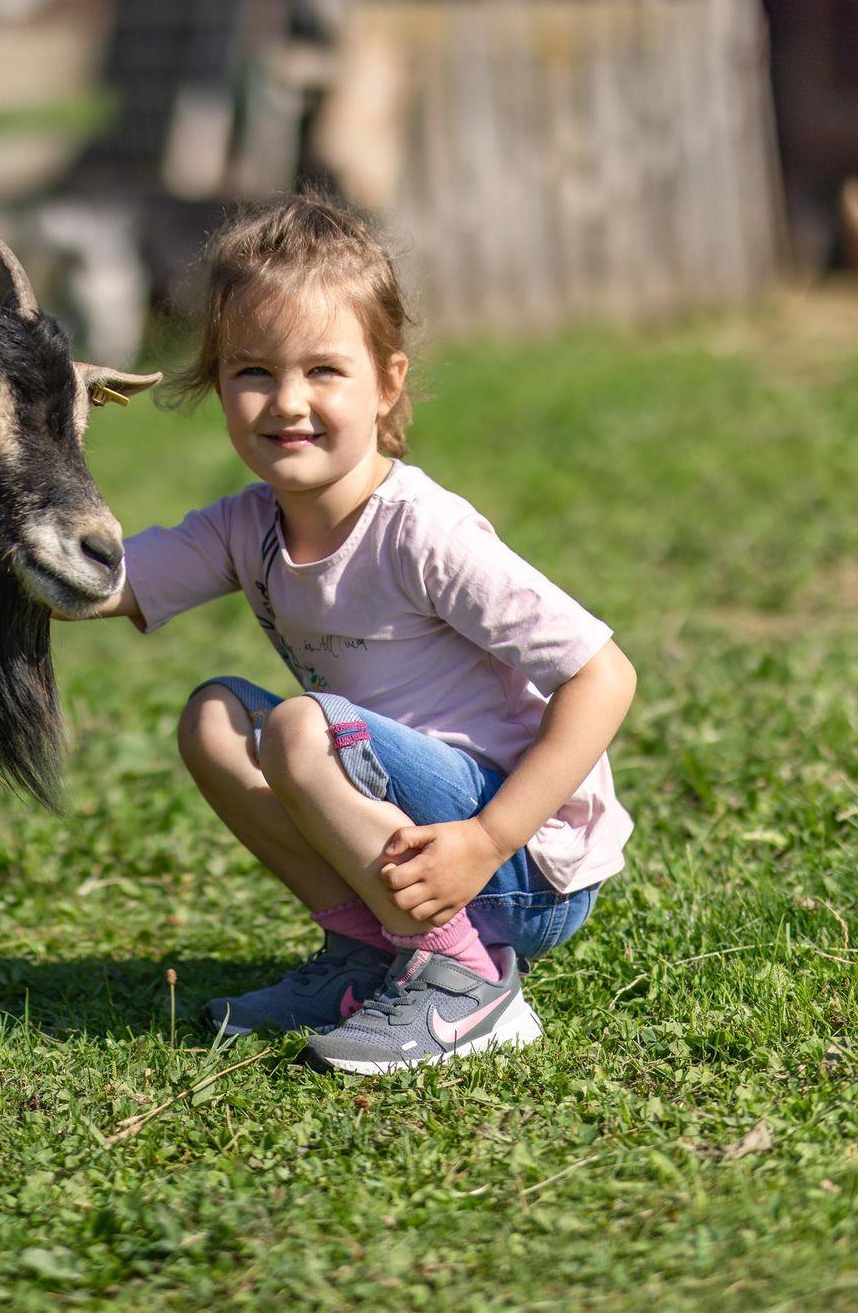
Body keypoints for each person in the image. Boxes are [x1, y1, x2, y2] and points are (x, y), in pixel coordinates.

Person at [84, 193, 636, 1073]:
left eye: (324, 370)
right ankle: (369, 956)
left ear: (387, 383)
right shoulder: (245, 526)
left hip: (521, 866)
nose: (287, 402)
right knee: (215, 720)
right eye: (252, 371)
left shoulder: (422, 532)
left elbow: (604, 675)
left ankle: (466, 980)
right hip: (409, 839)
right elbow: (101, 585)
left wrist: (488, 840)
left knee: (301, 727)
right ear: (217, 383)